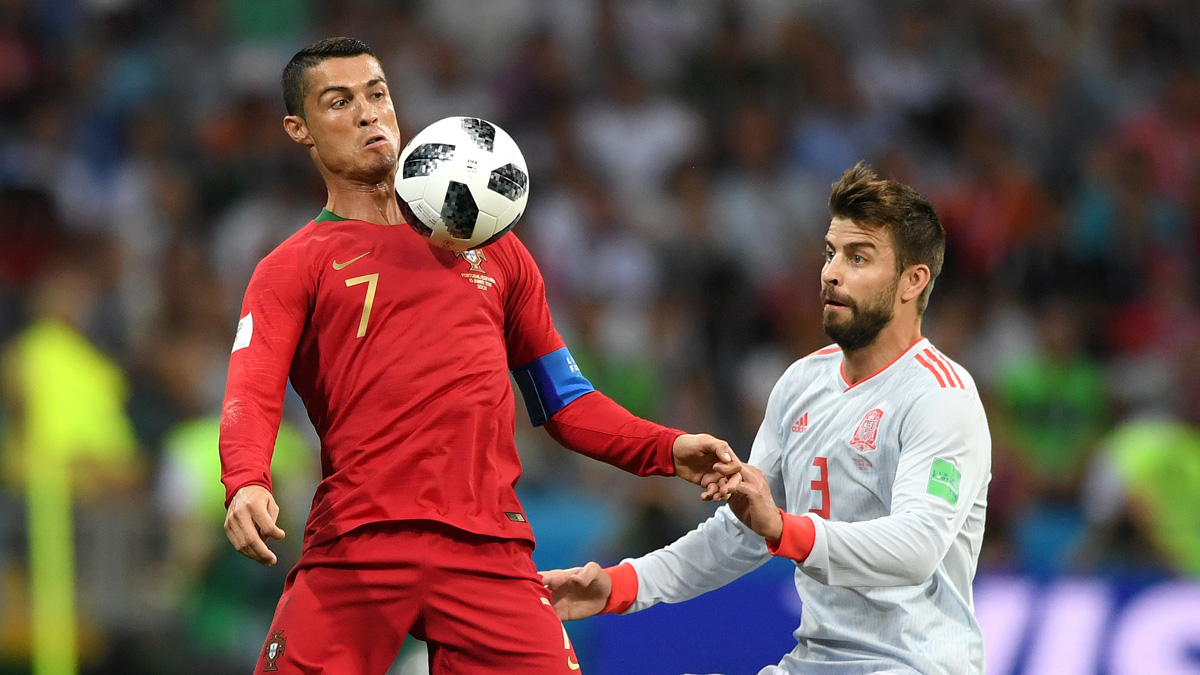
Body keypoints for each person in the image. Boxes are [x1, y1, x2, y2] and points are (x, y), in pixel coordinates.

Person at [218, 37, 742, 674]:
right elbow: (252, 388)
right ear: (298, 128)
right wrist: (246, 481)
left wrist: (665, 447)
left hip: (490, 547)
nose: (368, 113)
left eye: (377, 94)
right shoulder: (292, 267)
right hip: (359, 541)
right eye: (339, 102)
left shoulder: (496, 250)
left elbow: (566, 401)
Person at [542, 164, 992, 675]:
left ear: (914, 281)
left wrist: (782, 526)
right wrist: (621, 584)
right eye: (830, 253)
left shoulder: (941, 397)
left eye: (858, 257)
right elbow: (743, 533)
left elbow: (916, 548)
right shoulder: (801, 384)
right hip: (816, 662)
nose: (831, 272)